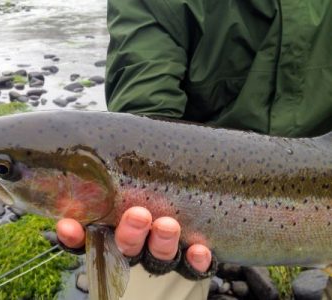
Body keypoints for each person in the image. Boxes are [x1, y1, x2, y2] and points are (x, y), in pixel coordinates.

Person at [58, 0, 332, 299]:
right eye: (2, 170)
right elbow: (142, 125)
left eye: (4, 170)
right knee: (138, 259)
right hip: (180, 191)